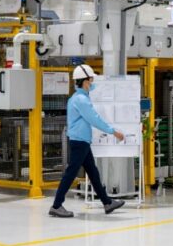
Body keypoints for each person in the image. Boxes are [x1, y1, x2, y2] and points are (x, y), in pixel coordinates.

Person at [49, 64, 126, 218]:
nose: (92, 82)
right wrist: (113, 131)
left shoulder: (77, 98)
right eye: (91, 79)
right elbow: (94, 119)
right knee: (71, 174)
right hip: (79, 142)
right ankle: (56, 205)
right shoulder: (81, 100)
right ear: (85, 81)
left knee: (93, 173)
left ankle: (107, 203)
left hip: (81, 141)